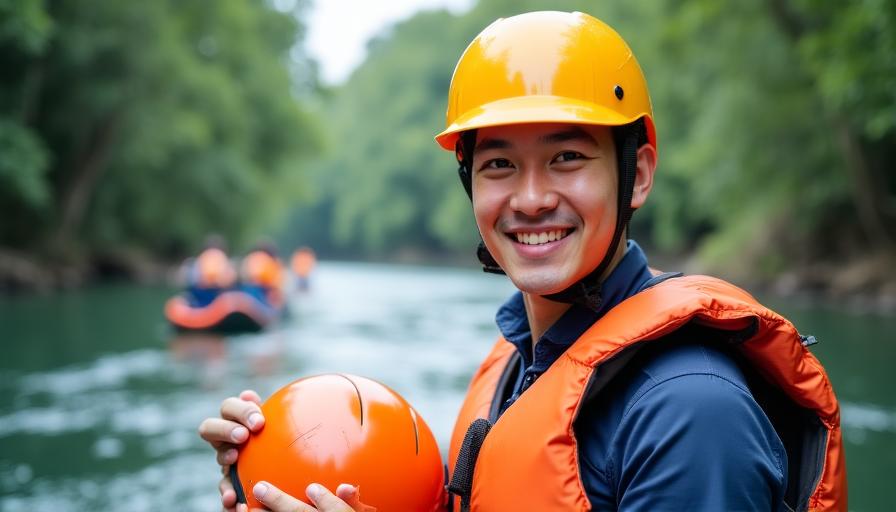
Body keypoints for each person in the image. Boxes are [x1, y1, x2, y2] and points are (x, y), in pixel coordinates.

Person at [199, 11, 846, 511]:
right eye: (499, 165)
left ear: (638, 174)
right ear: (471, 185)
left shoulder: (693, 413)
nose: (531, 199)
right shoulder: (521, 362)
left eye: (567, 158)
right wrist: (268, 472)